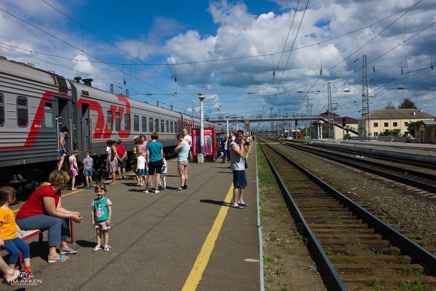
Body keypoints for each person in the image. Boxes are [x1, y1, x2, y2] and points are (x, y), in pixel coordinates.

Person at [16, 170, 82, 263]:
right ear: (62, 181)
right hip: (24, 219)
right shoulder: (48, 190)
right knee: (55, 221)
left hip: (37, 216)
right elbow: (52, 212)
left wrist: (72, 213)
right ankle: (52, 254)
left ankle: (63, 246)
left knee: (64, 217)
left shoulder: (57, 191)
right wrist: (71, 215)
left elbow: (58, 208)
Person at [0, 187, 34, 279]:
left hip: (13, 236)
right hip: (5, 238)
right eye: (14, 196)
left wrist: (17, 227)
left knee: (26, 247)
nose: (15, 198)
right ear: (9, 198)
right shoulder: (1, 211)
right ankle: (9, 274)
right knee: (15, 252)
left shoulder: (9, 210)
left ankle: (27, 269)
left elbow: (11, 221)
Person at [229, 130, 248, 209]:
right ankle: (235, 202)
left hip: (242, 167)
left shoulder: (240, 144)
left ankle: (241, 200)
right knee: (237, 185)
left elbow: (243, 152)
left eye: (242, 136)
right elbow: (240, 153)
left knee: (243, 185)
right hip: (237, 167)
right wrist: (242, 145)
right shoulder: (233, 144)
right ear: (236, 136)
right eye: (240, 136)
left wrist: (243, 145)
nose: (241, 138)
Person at [91, 183, 112, 252]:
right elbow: (92, 211)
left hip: (104, 220)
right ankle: (98, 244)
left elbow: (110, 210)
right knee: (97, 233)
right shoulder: (94, 201)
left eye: (101, 191)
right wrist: (92, 220)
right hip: (97, 220)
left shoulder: (107, 200)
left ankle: (105, 245)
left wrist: (109, 219)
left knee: (105, 232)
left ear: (104, 191)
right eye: (97, 191)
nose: (99, 193)